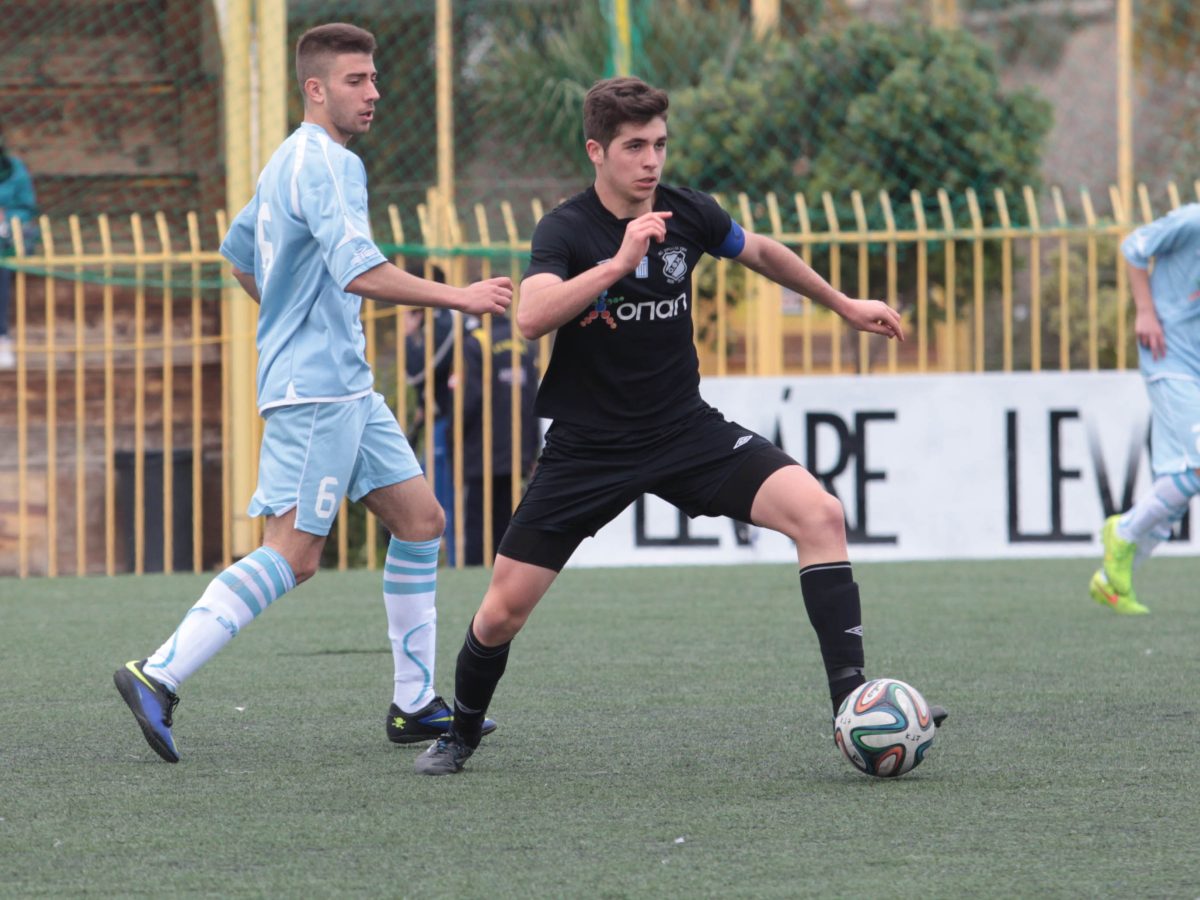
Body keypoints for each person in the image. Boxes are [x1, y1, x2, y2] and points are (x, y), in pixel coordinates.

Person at [415, 76, 946, 775]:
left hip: (685, 432)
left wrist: (843, 304)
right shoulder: (566, 228)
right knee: (500, 613)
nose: (651, 161)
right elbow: (532, 316)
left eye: (660, 144)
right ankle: (461, 732)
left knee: (820, 514)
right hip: (588, 449)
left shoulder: (689, 211)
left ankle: (853, 706)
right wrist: (618, 263)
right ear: (596, 151)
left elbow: (761, 252)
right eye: (634, 147)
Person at [112, 23, 511, 763]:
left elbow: (239, 255)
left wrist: (291, 315)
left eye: (374, 78)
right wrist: (460, 295)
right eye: (357, 80)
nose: (374, 92)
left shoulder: (285, 160)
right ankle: (158, 674)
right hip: (317, 392)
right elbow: (360, 270)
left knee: (420, 520)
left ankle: (413, 704)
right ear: (316, 89)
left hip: (347, 387)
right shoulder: (329, 163)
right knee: (294, 554)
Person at [1090, 203, 1200, 615]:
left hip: (1193, 366)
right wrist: (1146, 311)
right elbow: (1134, 247)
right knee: (1196, 467)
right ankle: (1123, 531)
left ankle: (1111, 581)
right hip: (1168, 358)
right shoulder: (1192, 221)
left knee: (1176, 483)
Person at [460, 312, 539, 565]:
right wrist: (532, 448)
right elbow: (533, 398)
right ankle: (503, 571)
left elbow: (470, 400)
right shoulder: (522, 343)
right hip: (517, 447)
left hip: (483, 447)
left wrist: (455, 436)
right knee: (507, 519)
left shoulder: (477, 341)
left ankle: (475, 570)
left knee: (478, 519)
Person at [403, 261, 458, 564]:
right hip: (437, 419)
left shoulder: (444, 321)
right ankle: (445, 551)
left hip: (450, 420)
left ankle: (455, 555)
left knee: (443, 488)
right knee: (430, 484)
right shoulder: (432, 322)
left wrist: (408, 337)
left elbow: (417, 372)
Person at [0, 130, 39, 369]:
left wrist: (6, 217)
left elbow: (27, 208)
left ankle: (1, 337)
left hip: (8, 237)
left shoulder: (15, 170)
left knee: (1, 266)